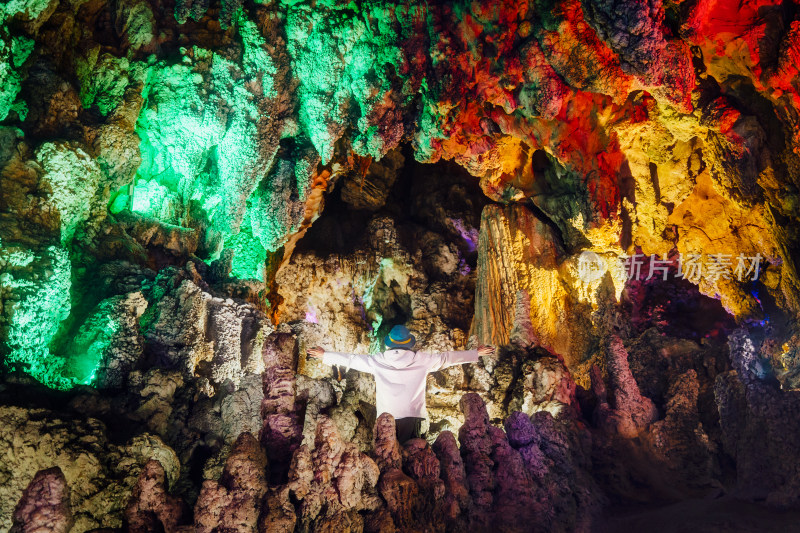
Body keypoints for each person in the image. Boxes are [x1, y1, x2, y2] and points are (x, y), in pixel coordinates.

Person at [306, 324, 496, 443]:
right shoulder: (422, 360)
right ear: (409, 343)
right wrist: (475, 353)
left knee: (388, 452)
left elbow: (351, 359)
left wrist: (325, 356)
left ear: (389, 343)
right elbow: (447, 358)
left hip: (386, 416)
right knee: (411, 452)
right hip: (413, 416)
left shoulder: (377, 360)